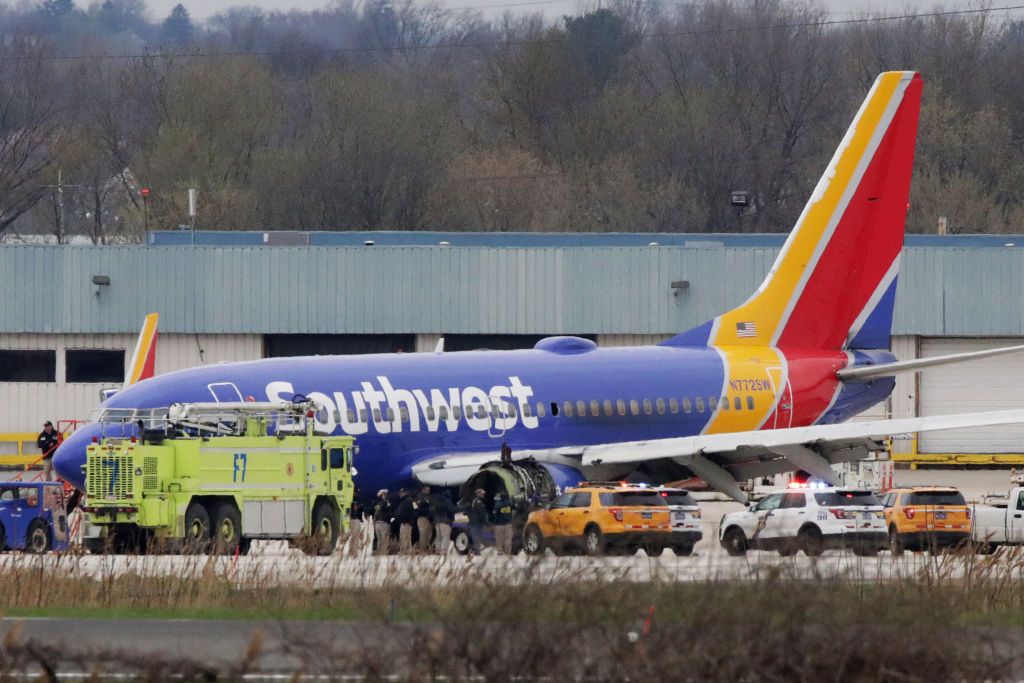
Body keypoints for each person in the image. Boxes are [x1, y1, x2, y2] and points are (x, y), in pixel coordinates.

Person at [467, 488, 489, 555]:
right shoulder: (478, 502)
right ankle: (477, 552)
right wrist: (486, 522)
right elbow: (481, 513)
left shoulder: (475, 501)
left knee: (476, 537)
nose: (483, 495)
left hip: (474, 522)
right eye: (482, 493)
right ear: (479, 494)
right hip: (476, 523)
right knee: (476, 537)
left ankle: (474, 551)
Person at [393, 488, 415, 553]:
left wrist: (408, 520)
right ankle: (407, 550)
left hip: (406, 522)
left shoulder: (409, 500)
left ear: (405, 493)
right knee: (406, 537)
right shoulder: (404, 501)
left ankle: (405, 550)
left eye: (401, 493)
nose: (400, 494)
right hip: (405, 522)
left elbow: (415, 510)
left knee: (404, 536)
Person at [372, 489, 393, 555]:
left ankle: (378, 553)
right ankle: (383, 554)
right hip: (383, 523)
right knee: (384, 540)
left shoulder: (377, 504)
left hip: (377, 523)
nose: (387, 496)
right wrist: (391, 519)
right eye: (386, 494)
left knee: (379, 540)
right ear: (383, 495)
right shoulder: (386, 503)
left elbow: (375, 512)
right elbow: (389, 513)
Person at [414, 486, 433, 553]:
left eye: (429, 490)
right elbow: (415, 506)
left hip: (428, 518)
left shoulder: (428, 497)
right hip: (421, 517)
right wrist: (421, 509)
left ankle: (425, 548)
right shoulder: (419, 497)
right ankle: (422, 550)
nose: (428, 491)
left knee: (429, 534)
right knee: (423, 534)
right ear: (423, 490)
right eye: (427, 489)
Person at [347, 492, 365, 557]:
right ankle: (354, 553)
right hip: (355, 520)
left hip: (351, 520)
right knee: (356, 537)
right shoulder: (356, 503)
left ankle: (351, 552)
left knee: (353, 537)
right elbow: (359, 511)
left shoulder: (348, 500)